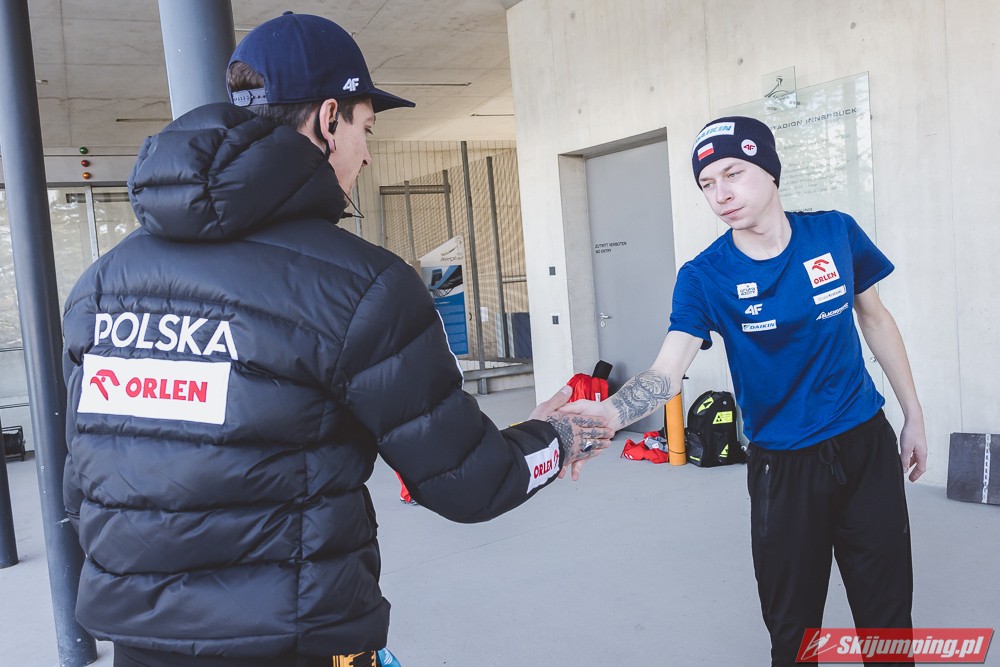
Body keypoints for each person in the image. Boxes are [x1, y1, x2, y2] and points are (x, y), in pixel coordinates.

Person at [61, 12, 610, 667]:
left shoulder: (101, 285)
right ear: (328, 119)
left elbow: (83, 482)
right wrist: (556, 437)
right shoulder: (361, 285)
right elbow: (470, 483)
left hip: (139, 644)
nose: (368, 154)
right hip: (291, 641)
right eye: (365, 128)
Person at [561, 116, 927, 666]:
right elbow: (668, 368)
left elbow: (875, 319)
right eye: (707, 184)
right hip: (785, 466)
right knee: (794, 631)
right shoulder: (705, 275)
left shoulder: (835, 232)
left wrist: (913, 415)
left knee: (888, 618)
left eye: (733, 173)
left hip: (865, 446)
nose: (720, 194)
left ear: (770, 170)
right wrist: (609, 415)